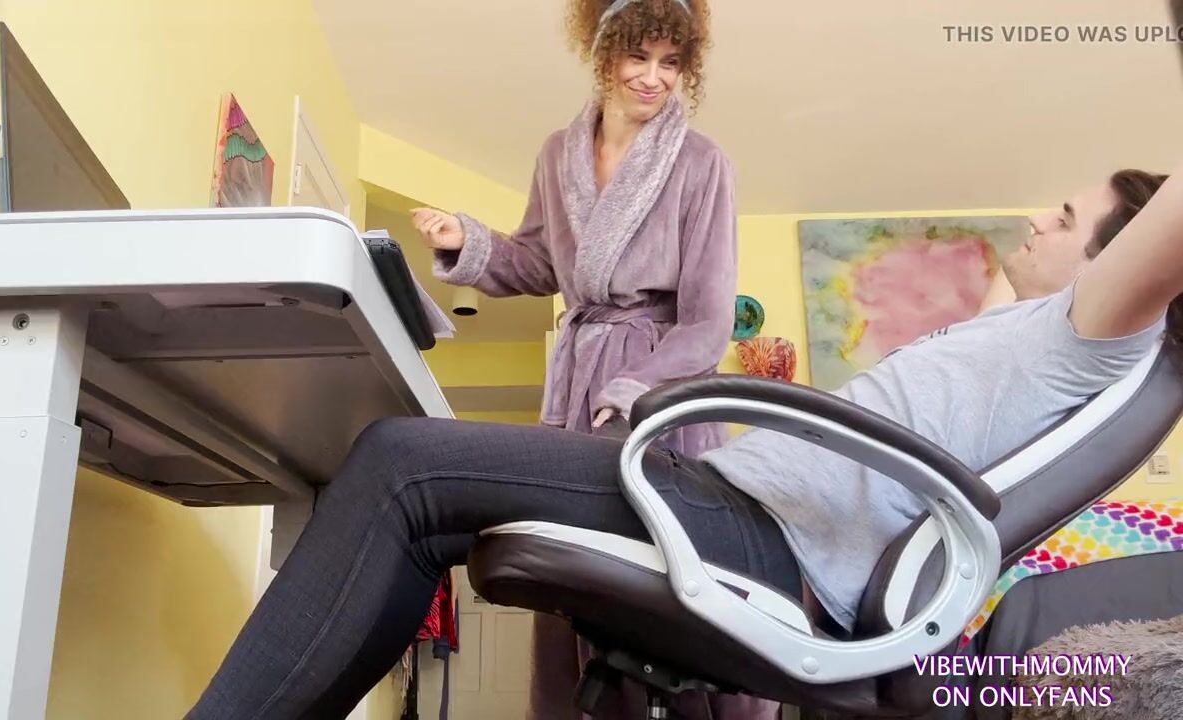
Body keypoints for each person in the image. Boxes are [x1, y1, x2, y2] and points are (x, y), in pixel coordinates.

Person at [185, 166, 1180, 718]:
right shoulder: (1021, 332)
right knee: (419, 509)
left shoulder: (1090, 335)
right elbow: (1011, 299)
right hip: (737, 511)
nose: (1033, 216)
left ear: (1118, 261)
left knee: (403, 462)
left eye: (1064, 215)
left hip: (760, 533)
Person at [408, 0, 753, 717]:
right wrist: (466, 241)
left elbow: (707, 322)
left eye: (671, 63)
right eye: (638, 57)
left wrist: (634, 391)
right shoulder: (557, 153)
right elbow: (542, 263)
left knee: (656, 577)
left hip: (657, 391)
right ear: (603, 54)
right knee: (572, 572)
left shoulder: (702, 163)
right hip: (575, 388)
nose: (654, 78)